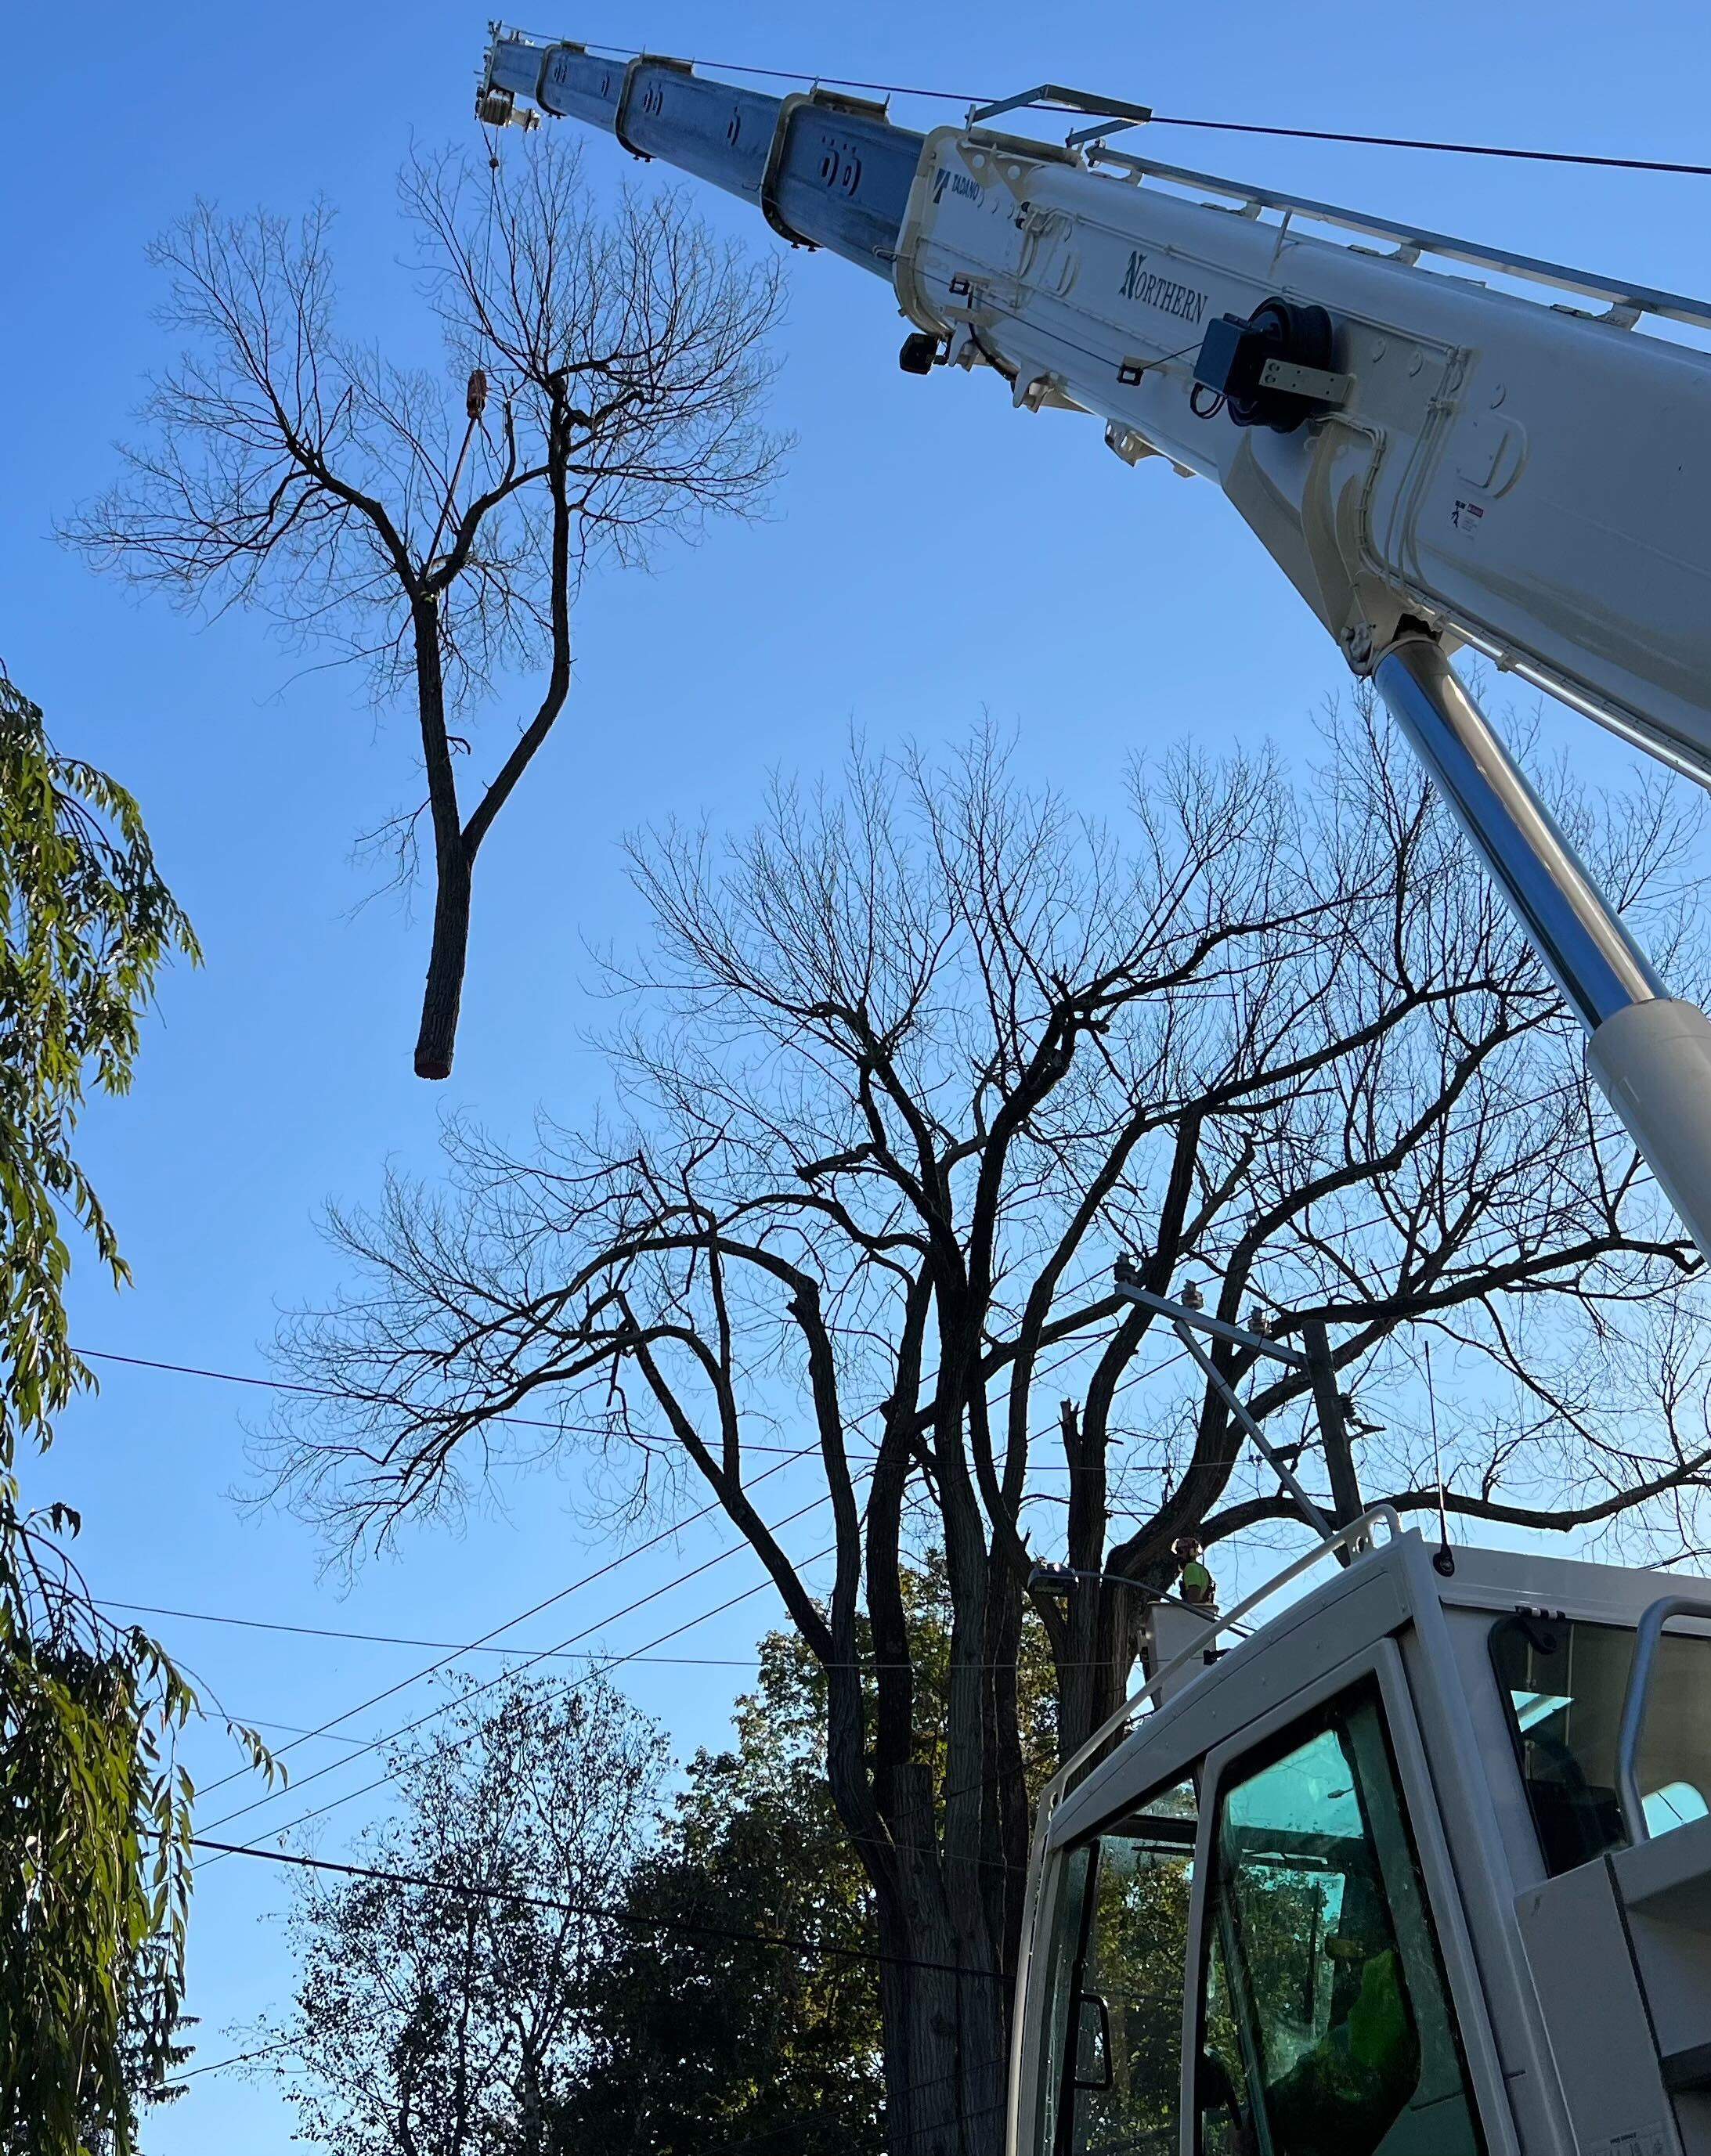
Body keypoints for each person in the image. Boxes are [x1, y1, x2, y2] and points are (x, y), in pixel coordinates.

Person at [1175, 1534, 1217, 1606]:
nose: (1178, 1556)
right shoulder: (1200, 1568)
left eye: (1180, 1552)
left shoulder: (1191, 1568)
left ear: (1191, 1552)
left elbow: (1193, 1597)